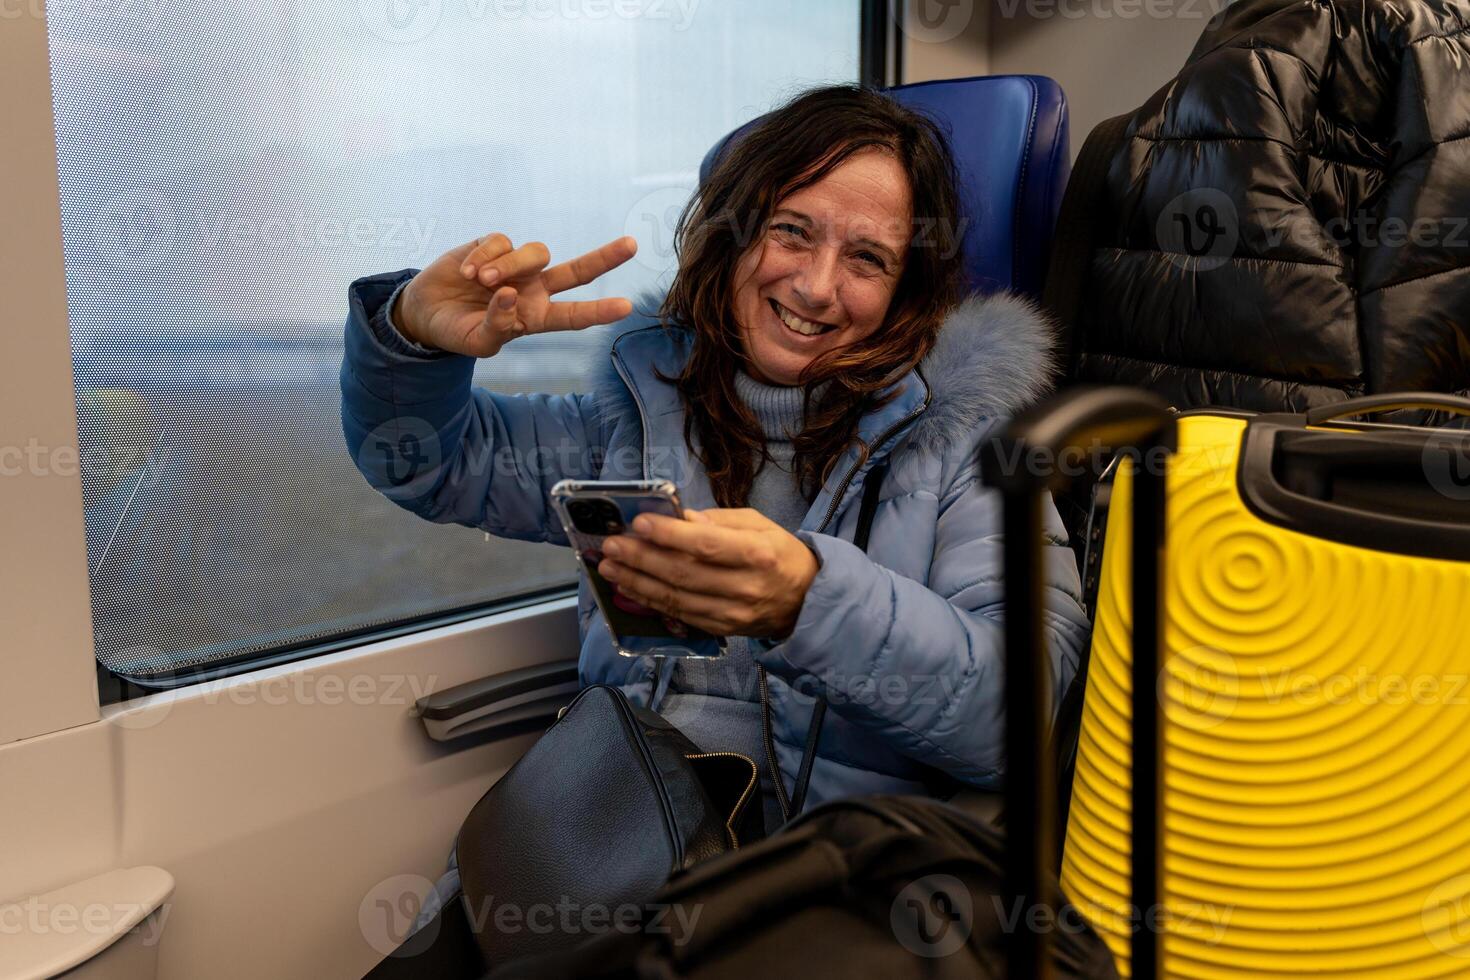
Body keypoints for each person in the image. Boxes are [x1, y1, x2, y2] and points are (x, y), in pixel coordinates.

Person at [340, 85, 1089, 836]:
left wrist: (809, 604)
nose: (817, 286)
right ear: (731, 235)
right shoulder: (638, 408)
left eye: (866, 258)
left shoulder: (966, 446)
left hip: (817, 892)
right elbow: (434, 464)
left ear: (905, 292)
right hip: (624, 835)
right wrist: (415, 340)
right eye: (793, 231)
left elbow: (1026, 719)